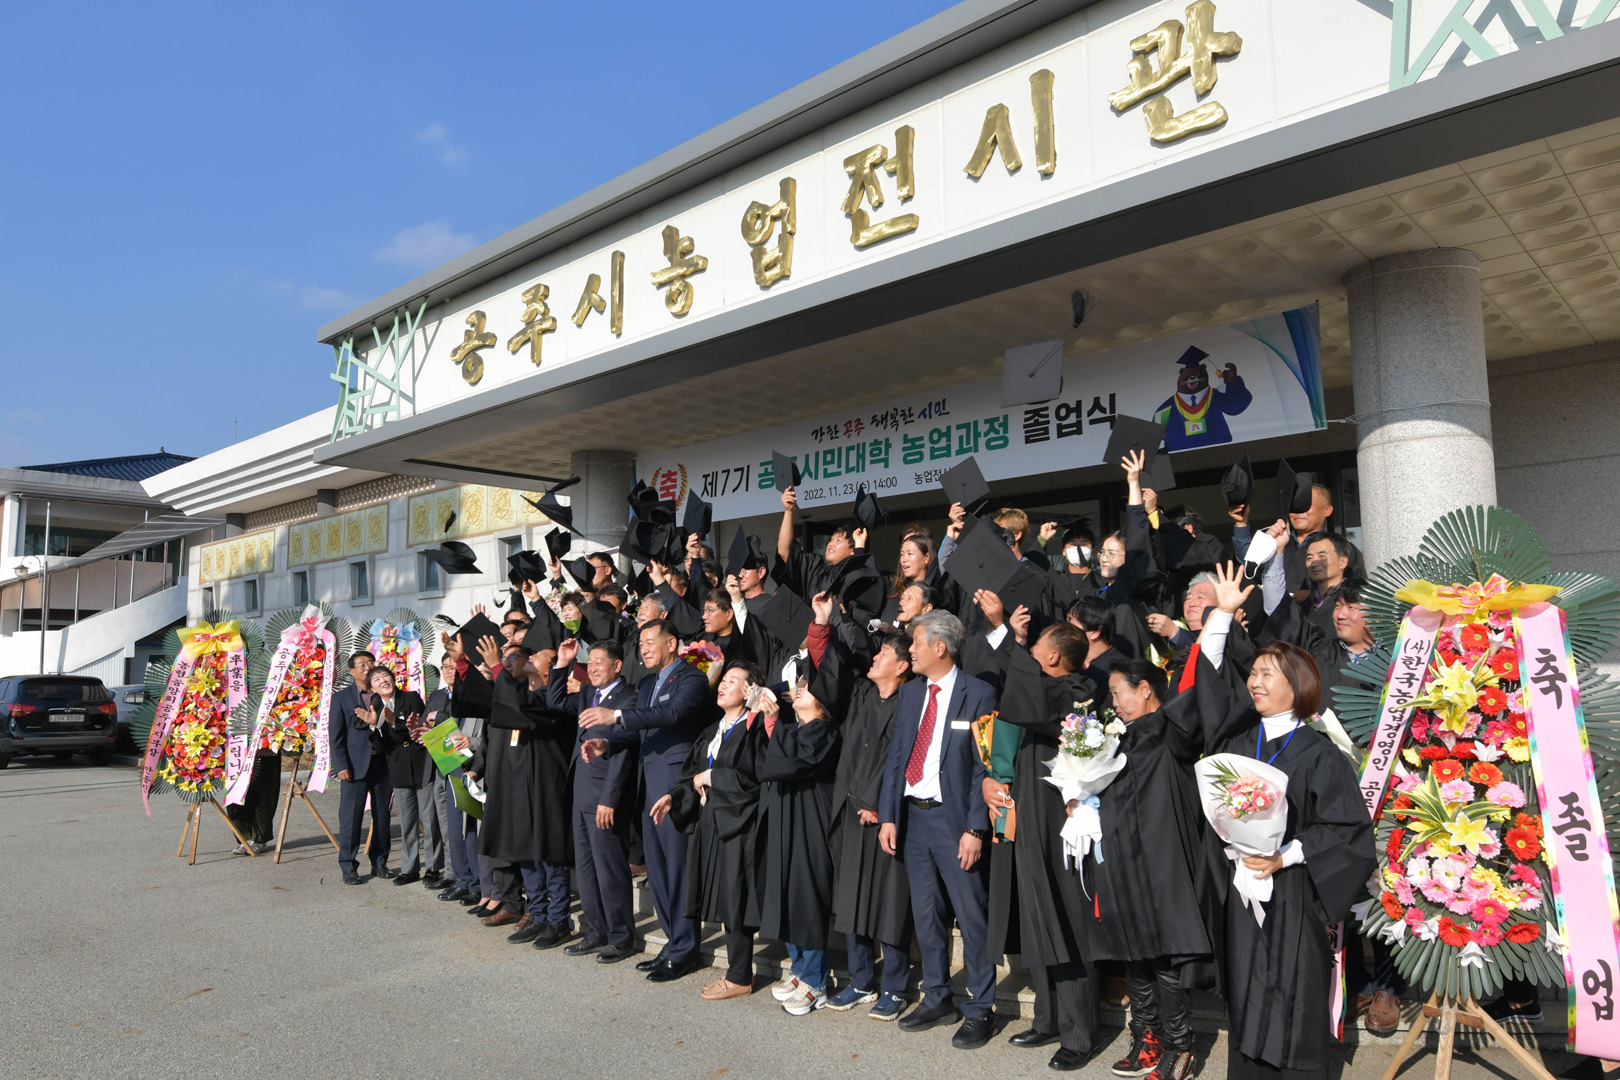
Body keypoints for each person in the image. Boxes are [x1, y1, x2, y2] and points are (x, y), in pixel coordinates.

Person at [1178, 562, 1377, 1080]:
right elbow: (1210, 680)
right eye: (1255, 673)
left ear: (1299, 684)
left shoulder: (1319, 752)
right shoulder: (1236, 742)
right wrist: (1221, 615)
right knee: (1246, 990)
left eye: (1268, 673)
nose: (1256, 681)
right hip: (1241, 886)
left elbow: (1345, 828)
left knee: (1294, 992)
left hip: (1293, 891)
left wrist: (1284, 856)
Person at [1087, 657, 1221, 1080]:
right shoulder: (1117, 738)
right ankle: (1146, 1037)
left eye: (1117, 692)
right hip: (1123, 856)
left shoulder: (1169, 730)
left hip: (1162, 859)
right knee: (1133, 950)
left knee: (1165, 952)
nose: (1114, 702)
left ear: (1144, 689)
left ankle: (1180, 1046)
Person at [878, 611, 999, 1050]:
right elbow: (897, 756)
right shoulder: (912, 693)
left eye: (916, 643)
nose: (910, 650)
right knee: (926, 915)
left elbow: (984, 767)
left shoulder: (979, 693)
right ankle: (937, 997)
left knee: (971, 914)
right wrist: (889, 815)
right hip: (913, 819)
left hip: (955, 821)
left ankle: (981, 1007)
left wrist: (975, 828)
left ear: (940, 647)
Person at [984, 623, 1103, 1071]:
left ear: (1054, 657)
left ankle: (1079, 1033)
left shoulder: (1077, 691)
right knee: (1038, 917)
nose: (1029, 652)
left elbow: (1027, 699)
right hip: (1030, 818)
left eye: (1035, 647)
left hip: (1062, 825)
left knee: (1066, 920)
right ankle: (1048, 1018)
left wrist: (1007, 636)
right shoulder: (1041, 690)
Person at [579, 618, 713, 983]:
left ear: (672, 643)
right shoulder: (649, 683)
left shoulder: (691, 678)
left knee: (678, 870)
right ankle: (672, 942)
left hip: (673, 785)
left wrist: (616, 715)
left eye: (651, 642)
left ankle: (685, 950)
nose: (645, 649)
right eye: (641, 644)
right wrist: (608, 742)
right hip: (648, 785)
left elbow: (669, 714)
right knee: (657, 871)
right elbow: (641, 730)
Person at [650, 661, 770, 1000]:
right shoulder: (714, 730)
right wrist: (674, 796)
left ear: (749, 690)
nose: (723, 685)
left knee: (736, 897)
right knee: (724, 896)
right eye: (724, 679)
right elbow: (693, 773)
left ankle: (739, 976)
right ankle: (736, 972)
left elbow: (756, 776)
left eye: (733, 681)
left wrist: (713, 777)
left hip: (740, 825)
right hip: (712, 821)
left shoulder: (755, 728)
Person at [817, 624, 914, 1020]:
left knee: (890, 902)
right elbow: (832, 675)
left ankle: (894, 987)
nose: (875, 657)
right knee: (850, 898)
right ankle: (860, 980)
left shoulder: (912, 701)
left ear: (903, 666)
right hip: (848, 809)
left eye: (884, 653)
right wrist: (828, 622)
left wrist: (879, 803)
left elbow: (903, 760)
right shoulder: (860, 694)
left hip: (886, 815)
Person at [471, 635, 577, 948]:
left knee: (550, 856)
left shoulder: (553, 699)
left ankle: (558, 920)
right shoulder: (522, 695)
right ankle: (538, 914)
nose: (528, 658)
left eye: (537, 656)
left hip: (547, 788)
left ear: (549, 671)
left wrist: (496, 667)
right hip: (520, 788)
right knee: (526, 854)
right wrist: (465, 665)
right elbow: (492, 703)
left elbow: (521, 706)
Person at [756, 656, 842, 1016]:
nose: (799, 690)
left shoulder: (823, 730)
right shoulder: (793, 729)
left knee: (806, 898)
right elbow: (766, 763)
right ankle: (799, 968)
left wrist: (773, 722)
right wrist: (769, 720)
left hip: (810, 822)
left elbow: (793, 763)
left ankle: (815, 982)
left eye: (807, 688)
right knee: (786, 893)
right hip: (785, 819)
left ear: (823, 703)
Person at [551, 637, 641, 964]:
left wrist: (609, 798)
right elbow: (555, 701)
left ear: (617, 665)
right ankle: (595, 930)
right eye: (590, 662)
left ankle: (620, 936)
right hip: (580, 793)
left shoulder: (629, 699)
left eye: (599, 662)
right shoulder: (588, 693)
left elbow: (625, 751)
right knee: (587, 870)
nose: (593, 668)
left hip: (604, 797)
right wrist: (562, 663)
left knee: (610, 870)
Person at [368, 666, 437, 886]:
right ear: (372, 688)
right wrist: (374, 727)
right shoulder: (376, 707)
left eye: (385, 676)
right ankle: (409, 869)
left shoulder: (410, 697)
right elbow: (381, 746)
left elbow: (416, 731)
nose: (383, 680)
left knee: (429, 819)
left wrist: (393, 722)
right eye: (377, 679)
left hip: (421, 762)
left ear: (393, 678)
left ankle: (434, 867)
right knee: (407, 822)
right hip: (398, 768)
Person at [329, 650, 393, 885]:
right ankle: (348, 865)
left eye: (371, 663)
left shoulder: (385, 694)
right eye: (362, 665)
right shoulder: (342, 698)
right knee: (351, 818)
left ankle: (380, 861)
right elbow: (336, 736)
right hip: (354, 767)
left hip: (382, 764)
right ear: (352, 671)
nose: (367, 668)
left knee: (382, 816)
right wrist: (341, 765)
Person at [426, 661, 479, 903]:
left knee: (470, 831)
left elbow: (484, 739)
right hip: (451, 765)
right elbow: (450, 734)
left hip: (472, 769)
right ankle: (463, 879)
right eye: (446, 667)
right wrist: (427, 734)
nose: (451, 672)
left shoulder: (479, 700)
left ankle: (476, 884)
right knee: (455, 829)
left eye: (456, 668)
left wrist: (470, 742)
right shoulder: (449, 698)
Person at [1154, 348, 1252, 451]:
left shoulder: (1213, 396)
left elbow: (1235, 407)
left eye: (1198, 375)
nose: (1192, 378)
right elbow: (1156, 432)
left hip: (1218, 451)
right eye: (1186, 377)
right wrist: (1171, 434)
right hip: (1182, 455)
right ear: (1181, 374)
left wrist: (1233, 383)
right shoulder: (1170, 405)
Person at [225, 746, 282, 856]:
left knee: (264, 793)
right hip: (236, 746)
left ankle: (259, 840)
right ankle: (244, 838)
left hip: (264, 748)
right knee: (236, 792)